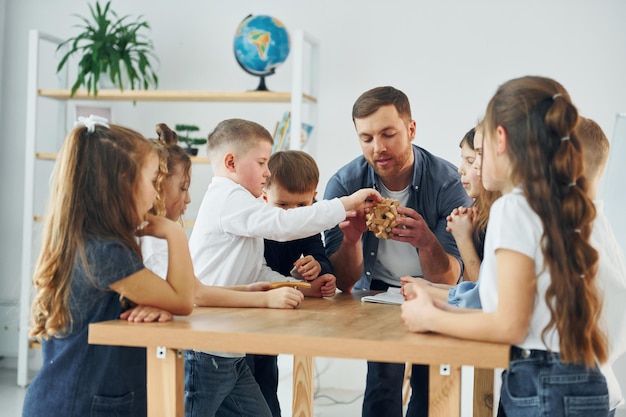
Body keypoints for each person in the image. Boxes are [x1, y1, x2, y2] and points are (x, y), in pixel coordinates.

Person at [401, 76, 610, 416]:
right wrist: (440, 309)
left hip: (542, 387)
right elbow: (519, 317)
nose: (475, 165)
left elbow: (508, 325)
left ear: (501, 139)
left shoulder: (513, 208)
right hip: (575, 380)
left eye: (480, 152)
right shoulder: (555, 202)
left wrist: (430, 318)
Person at [186, 118, 382, 417]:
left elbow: (258, 271)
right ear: (231, 162)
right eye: (262, 162)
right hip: (206, 348)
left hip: (230, 349)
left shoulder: (241, 204)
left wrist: (303, 287)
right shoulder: (228, 198)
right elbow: (284, 225)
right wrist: (344, 203)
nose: (267, 172)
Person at [22, 116, 195, 417]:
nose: (156, 192)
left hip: (86, 399)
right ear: (122, 183)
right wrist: (174, 232)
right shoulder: (103, 251)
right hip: (79, 405)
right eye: (152, 179)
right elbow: (183, 300)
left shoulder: (96, 242)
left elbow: (170, 299)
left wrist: (154, 304)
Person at [323, 86, 471, 417]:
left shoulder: (448, 182)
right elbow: (343, 284)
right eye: (367, 138)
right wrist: (351, 241)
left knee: (431, 385)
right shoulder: (345, 186)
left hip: (434, 296)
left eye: (388, 134)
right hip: (374, 297)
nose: (378, 148)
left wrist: (426, 241)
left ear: (411, 129)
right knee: (381, 384)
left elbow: (450, 279)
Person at [244, 150, 338, 417]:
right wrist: (298, 286)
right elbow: (256, 274)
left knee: (266, 378)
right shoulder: (257, 225)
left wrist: (319, 269)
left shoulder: (307, 226)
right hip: (246, 310)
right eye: (283, 206)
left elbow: (322, 258)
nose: (292, 215)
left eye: (301, 207)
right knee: (248, 380)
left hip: (275, 315)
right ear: (264, 197)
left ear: (314, 200)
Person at [401, 125, 501, 308]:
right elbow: (470, 286)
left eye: (471, 161)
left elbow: (483, 297)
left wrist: (463, 239)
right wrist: (427, 286)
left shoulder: (501, 216)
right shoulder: (478, 213)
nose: (461, 170)